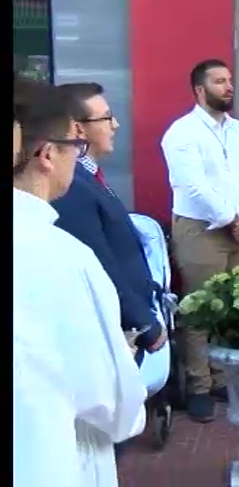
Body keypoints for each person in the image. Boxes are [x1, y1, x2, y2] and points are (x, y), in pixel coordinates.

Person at [14, 77, 147, 486]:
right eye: (75, 145)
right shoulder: (59, 257)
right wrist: (117, 353)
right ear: (47, 154)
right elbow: (114, 403)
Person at [161, 59, 239, 422]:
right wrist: (230, 218)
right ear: (199, 90)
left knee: (232, 308)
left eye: (229, 81)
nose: (228, 87)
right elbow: (192, 185)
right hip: (201, 231)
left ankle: (223, 378)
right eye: (219, 82)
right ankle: (198, 387)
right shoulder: (182, 132)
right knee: (199, 311)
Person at [51, 83, 168, 362]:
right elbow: (99, 263)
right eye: (106, 117)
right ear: (78, 129)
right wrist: (143, 321)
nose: (115, 125)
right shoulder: (73, 186)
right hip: (114, 332)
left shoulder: (90, 178)